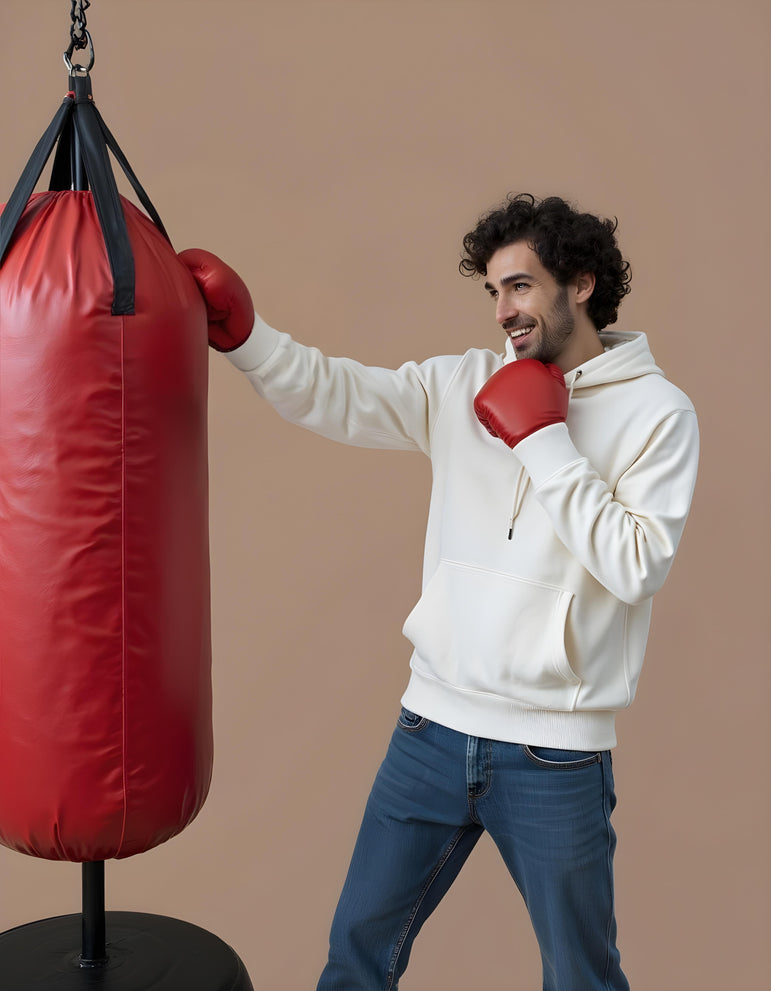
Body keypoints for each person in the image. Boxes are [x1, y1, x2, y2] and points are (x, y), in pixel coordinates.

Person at [180, 193, 699, 990]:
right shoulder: (463, 384)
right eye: (493, 291)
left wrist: (544, 440)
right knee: (356, 950)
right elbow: (336, 394)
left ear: (582, 283)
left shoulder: (659, 414)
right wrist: (249, 341)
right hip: (429, 727)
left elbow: (635, 563)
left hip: (553, 750)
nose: (504, 312)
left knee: (581, 976)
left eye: (520, 287)